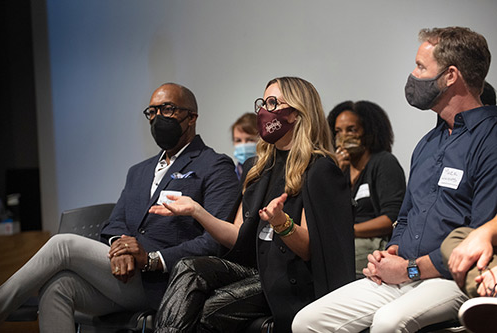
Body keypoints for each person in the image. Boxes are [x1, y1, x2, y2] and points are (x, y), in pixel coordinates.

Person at [292, 26, 497, 333]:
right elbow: (403, 218)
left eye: (421, 67)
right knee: (307, 322)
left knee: (388, 323)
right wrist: (391, 253)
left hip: (452, 278)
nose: (413, 76)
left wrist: (410, 270)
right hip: (405, 271)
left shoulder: (490, 137)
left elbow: (477, 236)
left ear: (450, 75)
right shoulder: (427, 144)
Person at [0, 83, 239, 332]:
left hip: (169, 283)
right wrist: (119, 247)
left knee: (63, 245)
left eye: (167, 109)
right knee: (58, 286)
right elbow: (115, 223)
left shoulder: (215, 166)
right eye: (152, 112)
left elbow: (213, 242)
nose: (158, 117)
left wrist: (152, 260)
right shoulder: (138, 171)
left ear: (191, 117)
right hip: (129, 278)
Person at [149, 76, 355, 332]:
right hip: (254, 271)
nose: (263, 112)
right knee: (187, 267)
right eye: (262, 103)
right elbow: (237, 236)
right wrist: (196, 210)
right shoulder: (257, 169)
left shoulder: (319, 169)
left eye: (272, 103)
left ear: (295, 113)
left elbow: (311, 250)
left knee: (208, 309)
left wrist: (281, 223)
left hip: (291, 280)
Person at [328, 100, 406, 277]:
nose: (344, 136)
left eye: (351, 130)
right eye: (338, 131)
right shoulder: (341, 169)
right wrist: (334, 176)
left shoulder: (384, 162)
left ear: (369, 131)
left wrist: (350, 230)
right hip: (344, 240)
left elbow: (391, 217)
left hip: (373, 242)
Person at [440, 214, 497, 333]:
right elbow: (403, 220)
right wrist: (485, 232)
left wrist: (411, 270)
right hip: (399, 278)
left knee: (391, 323)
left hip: (436, 278)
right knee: (459, 237)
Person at [231, 112, 259, 179]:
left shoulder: (271, 172)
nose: (243, 145)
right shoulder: (230, 174)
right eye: (238, 140)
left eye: (250, 140)